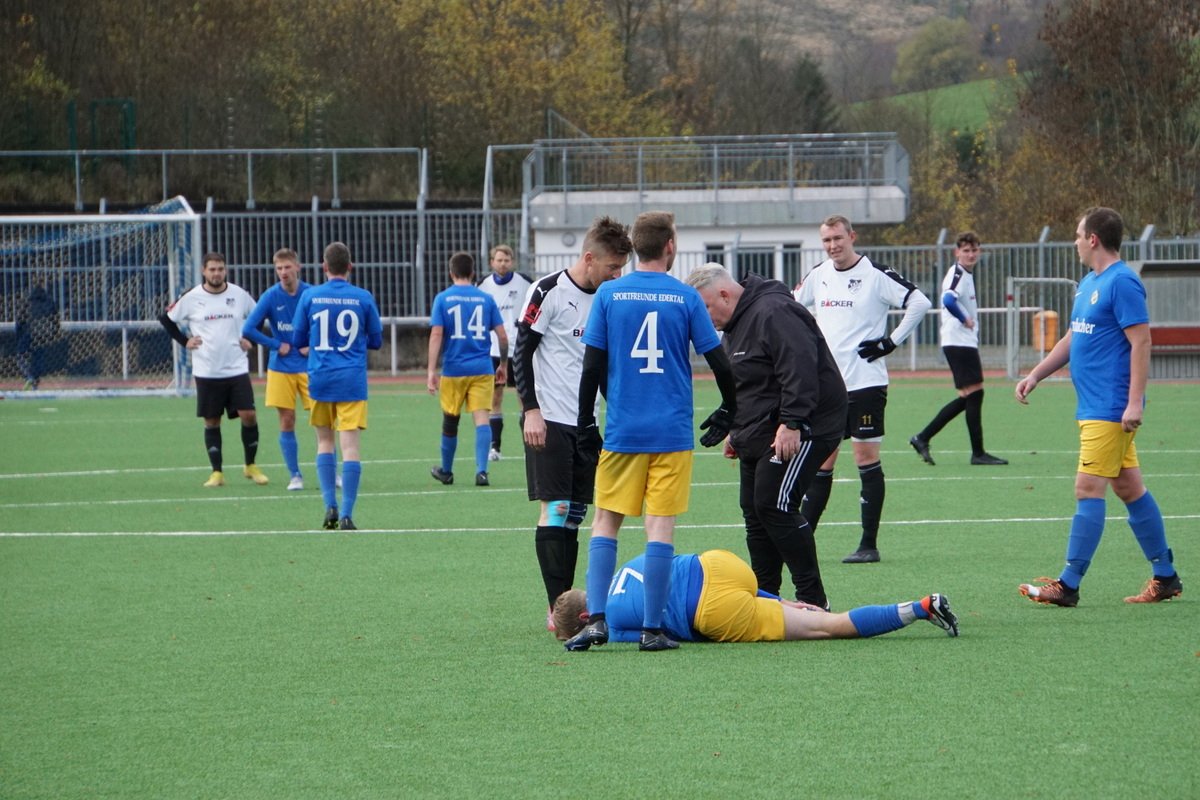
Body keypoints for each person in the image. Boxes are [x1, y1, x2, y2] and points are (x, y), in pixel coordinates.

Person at [564, 210, 738, 653]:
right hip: (671, 432)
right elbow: (720, 362)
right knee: (659, 527)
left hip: (623, 429)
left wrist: (586, 422)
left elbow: (591, 367)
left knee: (605, 521)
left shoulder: (609, 293)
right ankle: (652, 629)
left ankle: (597, 620)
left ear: (635, 247)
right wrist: (729, 409)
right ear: (670, 246)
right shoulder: (686, 297)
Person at [1015, 207, 1182, 606]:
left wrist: (1134, 402)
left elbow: (1141, 342)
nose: (1075, 242)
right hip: (1092, 405)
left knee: (1087, 488)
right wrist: (1037, 374)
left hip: (1110, 407)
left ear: (1093, 239)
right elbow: (1074, 336)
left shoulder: (1122, 282)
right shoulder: (1089, 282)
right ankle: (1165, 576)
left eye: (1078, 235)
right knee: (1129, 487)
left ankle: (1068, 585)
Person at [685, 264, 847, 610]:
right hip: (762, 427)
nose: (703, 319)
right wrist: (735, 429)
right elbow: (750, 384)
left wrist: (793, 422)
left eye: (705, 308)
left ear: (724, 295)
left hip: (809, 422)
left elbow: (799, 368)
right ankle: (765, 597)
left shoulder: (774, 310)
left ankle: (814, 601)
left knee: (775, 504)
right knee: (754, 511)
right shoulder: (735, 325)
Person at [513, 216, 632, 634]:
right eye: (612, 267)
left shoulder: (608, 299)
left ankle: (565, 603)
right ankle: (557, 607)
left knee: (575, 514)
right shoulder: (547, 290)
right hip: (548, 418)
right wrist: (530, 409)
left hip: (586, 422)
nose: (616, 275)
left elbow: (602, 366)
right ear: (589, 258)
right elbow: (521, 352)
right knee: (557, 508)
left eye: (621, 268)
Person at [793, 214, 932, 564]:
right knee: (821, 461)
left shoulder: (876, 274)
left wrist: (890, 341)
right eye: (827, 240)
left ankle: (868, 545)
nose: (833, 246)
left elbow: (920, 302)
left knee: (865, 458)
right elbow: (791, 306)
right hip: (827, 387)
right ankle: (801, 541)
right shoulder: (818, 275)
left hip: (866, 384)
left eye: (838, 238)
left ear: (852, 236)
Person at [555, 549, 958, 647]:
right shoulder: (624, 567)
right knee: (811, 614)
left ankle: (920, 608)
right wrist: (778, 600)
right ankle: (924, 607)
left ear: (587, 619)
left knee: (829, 627)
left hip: (712, 609)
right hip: (722, 565)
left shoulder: (608, 623)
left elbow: (651, 634)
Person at [291, 241, 383, 530]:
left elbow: (297, 340)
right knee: (350, 447)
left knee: (324, 442)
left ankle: (329, 504)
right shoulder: (363, 297)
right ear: (350, 267)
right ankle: (346, 514)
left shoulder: (310, 296)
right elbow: (376, 340)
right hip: (351, 380)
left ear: (324, 267)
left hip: (320, 378)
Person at [159, 252, 268, 488]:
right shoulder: (191, 297)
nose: (216, 273)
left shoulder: (239, 294)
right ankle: (217, 472)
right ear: (204, 271)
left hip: (237, 368)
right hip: (207, 370)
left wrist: (251, 339)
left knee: (249, 415)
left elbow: (259, 315)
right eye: (212, 269)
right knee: (212, 421)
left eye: (220, 269)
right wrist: (185, 341)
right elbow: (166, 318)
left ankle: (250, 465)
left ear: (225, 270)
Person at [909, 231, 1008, 466]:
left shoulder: (965, 274)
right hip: (958, 342)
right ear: (957, 252)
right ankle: (977, 453)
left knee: (969, 397)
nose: (971, 254)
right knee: (975, 393)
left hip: (961, 342)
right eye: (966, 250)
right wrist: (965, 319)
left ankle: (923, 437)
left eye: (974, 250)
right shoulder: (957, 274)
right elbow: (948, 300)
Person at [427, 252, 507, 487]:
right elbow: (502, 336)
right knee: (482, 418)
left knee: (451, 420)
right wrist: (503, 364)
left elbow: (437, 334)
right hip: (482, 368)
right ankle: (482, 472)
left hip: (453, 369)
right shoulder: (486, 299)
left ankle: (447, 471)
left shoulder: (443, 299)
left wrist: (431, 370)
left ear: (451, 273)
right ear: (473, 273)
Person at [242, 248, 314, 490]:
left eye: (287, 267)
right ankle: (295, 475)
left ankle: (331, 472)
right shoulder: (271, 296)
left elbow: (323, 324)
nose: (283, 272)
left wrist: (312, 344)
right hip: (281, 368)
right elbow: (248, 329)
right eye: (279, 268)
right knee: (287, 419)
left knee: (323, 420)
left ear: (297, 267)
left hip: (310, 367)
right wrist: (275, 344)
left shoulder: (310, 294)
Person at [477, 244, 533, 462]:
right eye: (499, 260)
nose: (503, 264)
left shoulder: (525, 282)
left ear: (513, 262)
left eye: (506, 260)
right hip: (493, 350)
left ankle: (528, 446)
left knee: (524, 397)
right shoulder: (483, 285)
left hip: (520, 350)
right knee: (495, 397)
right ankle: (495, 447)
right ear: (492, 262)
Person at [16, 282, 58, 390]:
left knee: (20, 356)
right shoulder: (49, 301)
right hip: (42, 334)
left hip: (29, 333)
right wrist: (53, 333)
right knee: (38, 359)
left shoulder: (28, 301)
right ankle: (35, 382)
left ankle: (28, 376)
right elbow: (55, 319)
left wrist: (19, 334)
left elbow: (20, 320)